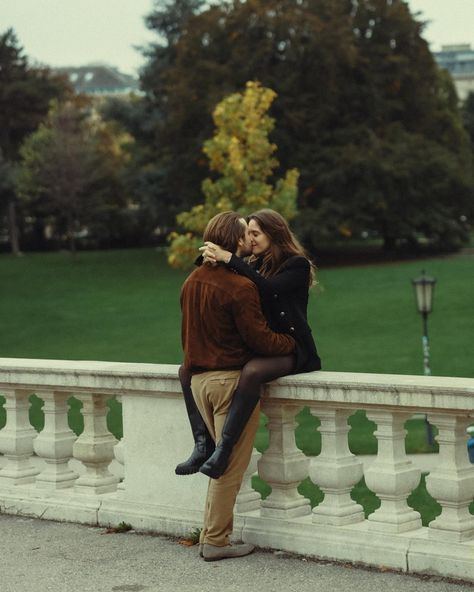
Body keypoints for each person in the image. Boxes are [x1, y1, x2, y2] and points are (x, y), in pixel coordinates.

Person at [180, 211, 296, 560]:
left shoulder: (191, 280)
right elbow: (261, 341)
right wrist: (291, 343)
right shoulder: (240, 286)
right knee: (229, 466)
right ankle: (215, 542)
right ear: (235, 241)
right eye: (246, 234)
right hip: (229, 383)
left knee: (219, 461)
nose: (250, 239)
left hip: (199, 383)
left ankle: (209, 537)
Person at [175, 208, 321, 480]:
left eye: (256, 233)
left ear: (273, 233)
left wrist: (229, 258)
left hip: (292, 347)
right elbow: (229, 276)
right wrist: (206, 258)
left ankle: (224, 449)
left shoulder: (295, 264)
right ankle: (202, 444)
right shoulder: (255, 264)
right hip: (263, 346)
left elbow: (268, 289)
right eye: (247, 233)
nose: (250, 239)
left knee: (252, 371)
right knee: (186, 369)